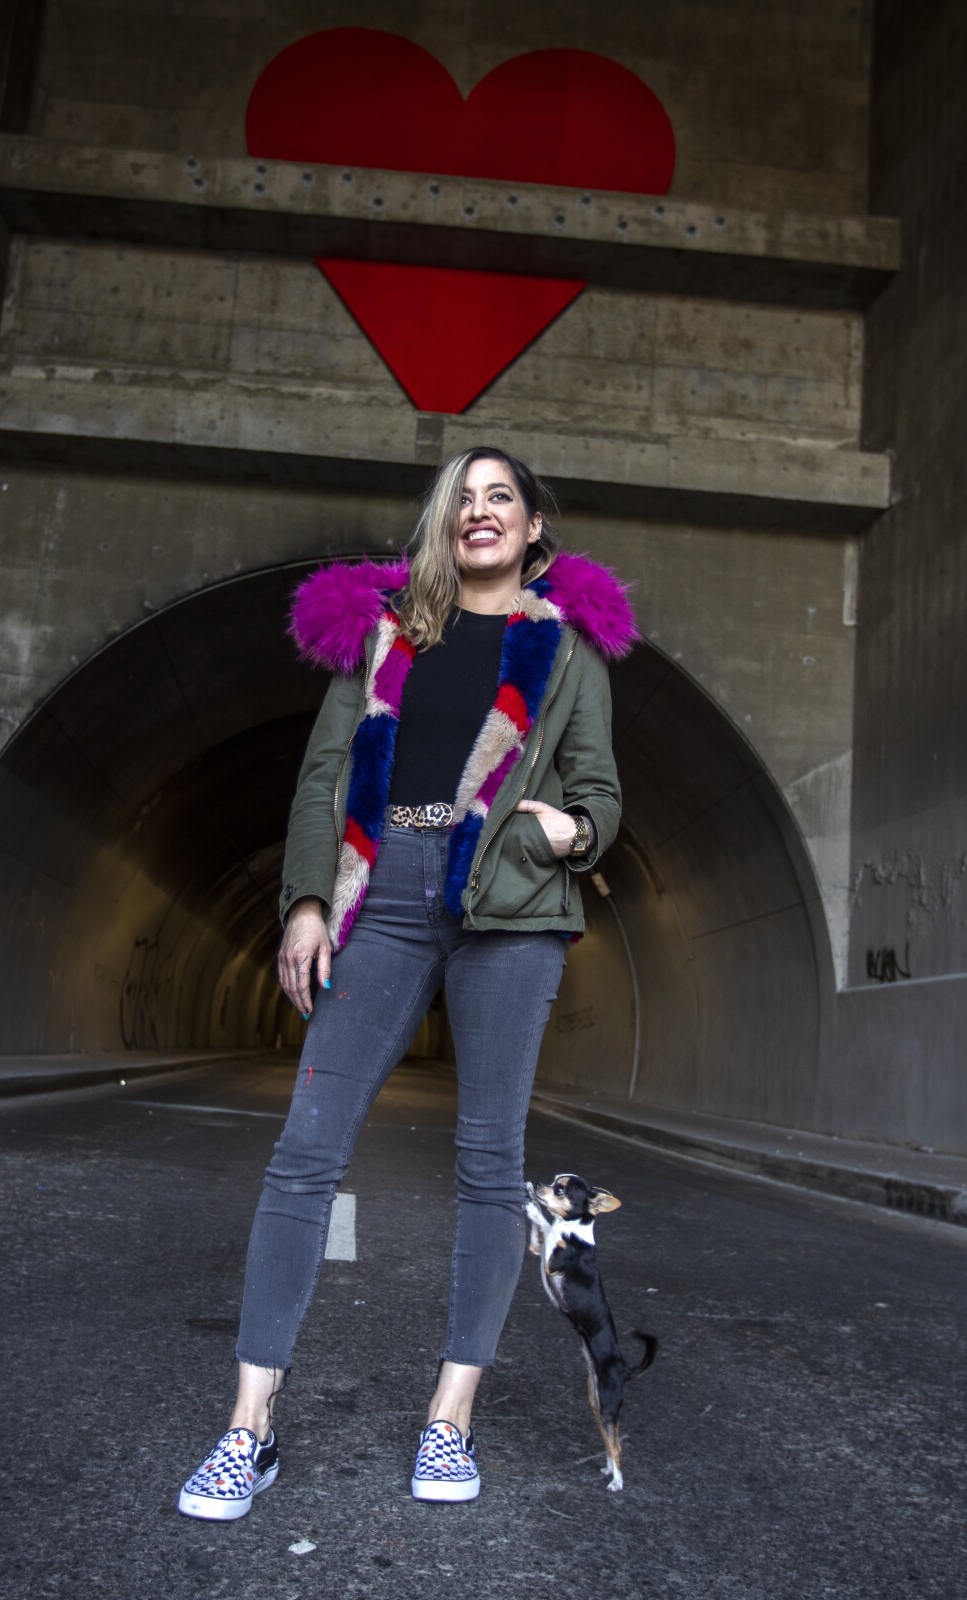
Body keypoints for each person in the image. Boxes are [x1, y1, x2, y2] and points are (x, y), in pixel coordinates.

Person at [176, 446, 637, 1521]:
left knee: (489, 1165)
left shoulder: (568, 651)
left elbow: (604, 794)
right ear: (443, 526)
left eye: (501, 499)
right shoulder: (389, 634)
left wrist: (566, 826)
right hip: (382, 890)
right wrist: (303, 899)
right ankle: (248, 1428)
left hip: (511, 905)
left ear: (531, 528)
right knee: (304, 1153)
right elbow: (323, 777)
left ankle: (449, 1419)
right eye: (461, 500)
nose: (480, 514)